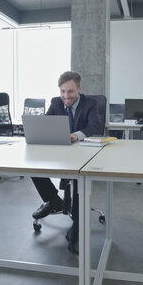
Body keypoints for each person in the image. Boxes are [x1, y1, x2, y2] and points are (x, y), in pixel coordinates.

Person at [30, 71, 101, 254]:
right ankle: (53, 200)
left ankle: (77, 224)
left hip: (83, 152)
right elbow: (45, 124)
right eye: (62, 91)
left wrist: (76, 135)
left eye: (70, 91)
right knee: (32, 164)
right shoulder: (56, 102)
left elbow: (95, 126)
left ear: (79, 89)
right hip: (60, 150)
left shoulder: (90, 104)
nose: (66, 96)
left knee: (78, 177)